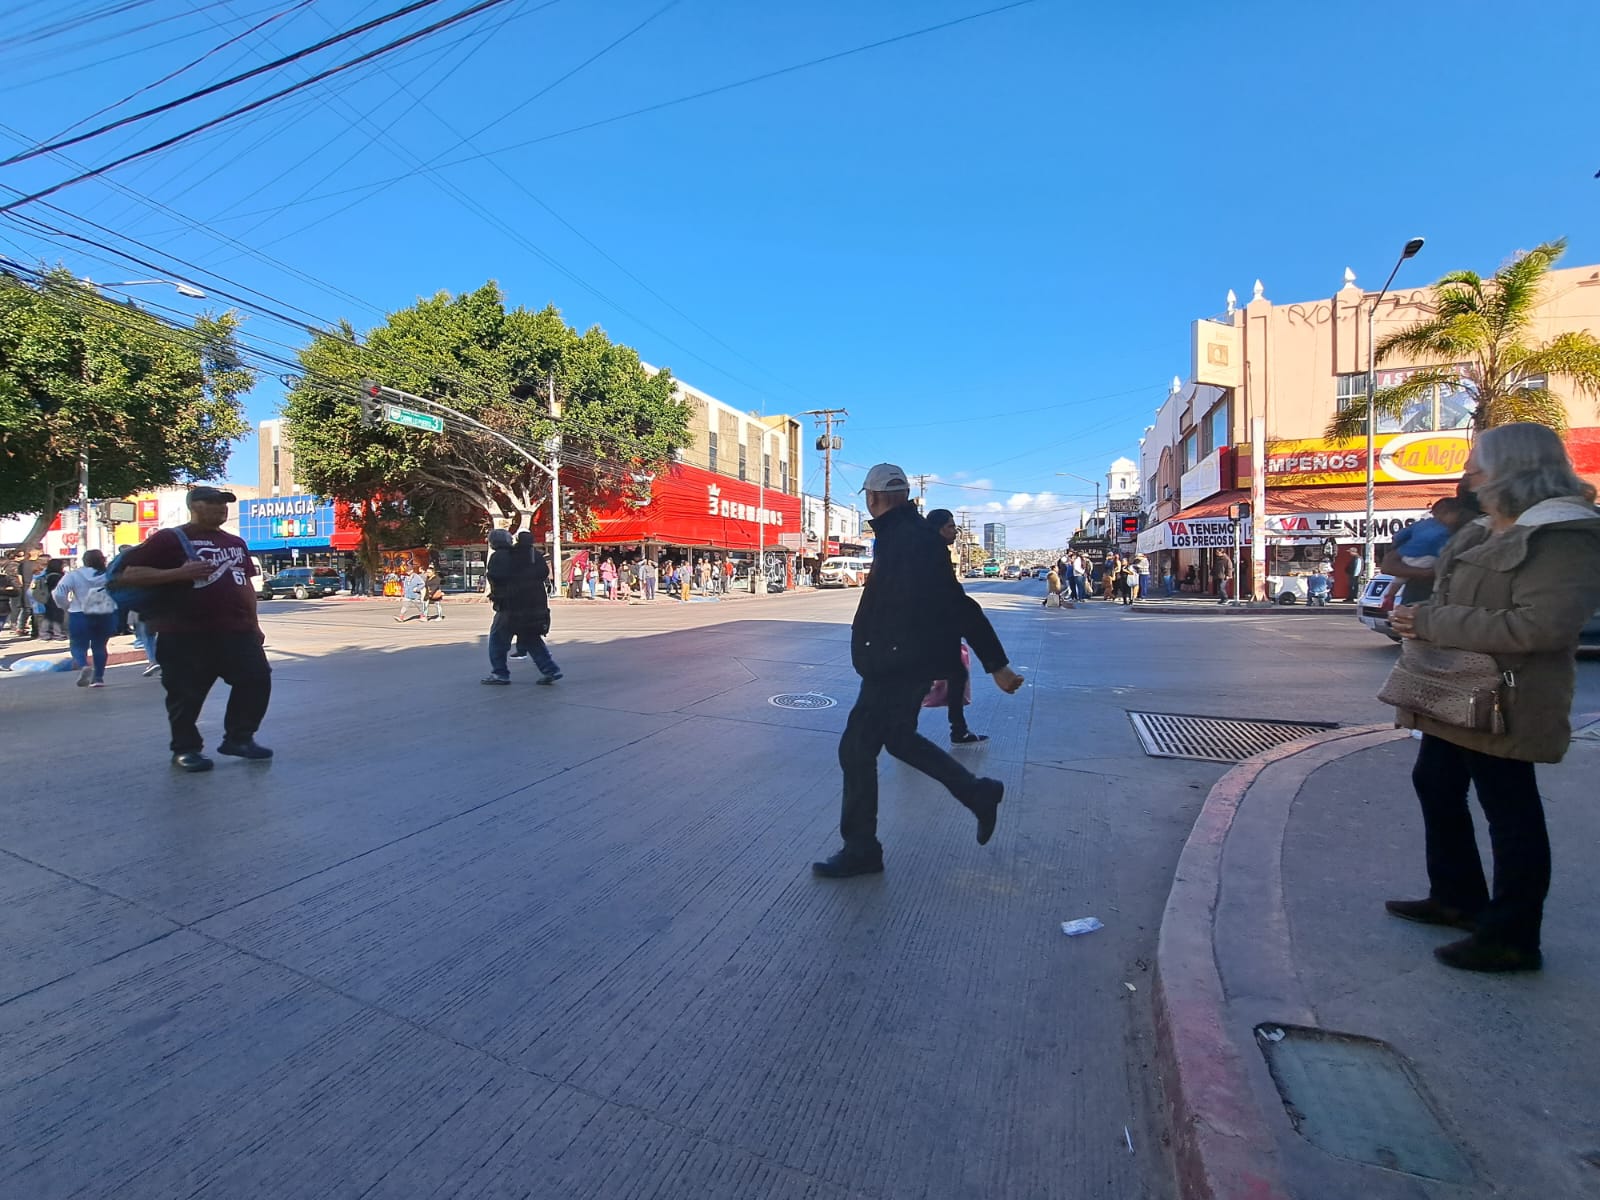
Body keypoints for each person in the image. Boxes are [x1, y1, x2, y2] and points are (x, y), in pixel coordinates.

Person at [1386, 424, 1600, 973]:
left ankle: (1512, 937)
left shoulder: (1563, 534)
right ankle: (1456, 897)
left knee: (1510, 809)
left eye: (1476, 464)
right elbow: (1452, 593)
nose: (1466, 475)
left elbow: (1541, 627)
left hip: (1509, 696)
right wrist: (1419, 609)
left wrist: (1431, 621)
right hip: (1456, 688)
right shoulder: (1482, 528)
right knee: (1436, 782)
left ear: (1513, 467)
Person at [814, 466, 1024, 879]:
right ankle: (977, 793)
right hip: (899, 662)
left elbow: (958, 605)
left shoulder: (910, 539)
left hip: (897, 666)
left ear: (873, 498)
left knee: (855, 750)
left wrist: (996, 664)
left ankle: (861, 849)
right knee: (899, 740)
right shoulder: (904, 535)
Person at [115, 486, 272, 771]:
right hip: (184, 633)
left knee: (256, 679)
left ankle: (239, 738)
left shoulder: (236, 542)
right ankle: (185, 749)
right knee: (186, 695)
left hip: (237, 631)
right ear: (195, 506)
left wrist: (254, 623)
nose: (221, 508)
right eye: (213, 503)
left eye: (224, 503)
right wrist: (179, 573)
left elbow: (245, 584)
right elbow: (129, 574)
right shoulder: (170, 538)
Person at [482, 530, 562, 685]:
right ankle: (550, 669)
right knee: (531, 638)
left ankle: (500, 673)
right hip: (534, 603)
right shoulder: (531, 554)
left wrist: (496, 595)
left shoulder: (500, 556)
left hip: (510, 606)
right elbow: (544, 573)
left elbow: (497, 577)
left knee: (498, 641)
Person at [1380, 496, 1476, 605]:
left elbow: (1399, 536)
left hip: (1407, 553)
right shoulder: (1448, 530)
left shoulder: (1422, 523)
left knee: (1400, 578)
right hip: (1430, 557)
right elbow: (1446, 550)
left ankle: (1390, 595)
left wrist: (1397, 545)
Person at [53, 549, 118, 687]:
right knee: (100, 646)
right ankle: (98, 678)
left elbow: (59, 593)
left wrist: (66, 605)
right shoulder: (109, 574)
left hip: (79, 613)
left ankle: (83, 665)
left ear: (84, 561)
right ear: (103, 560)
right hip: (104, 612)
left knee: (77, 645)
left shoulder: (74, 575)